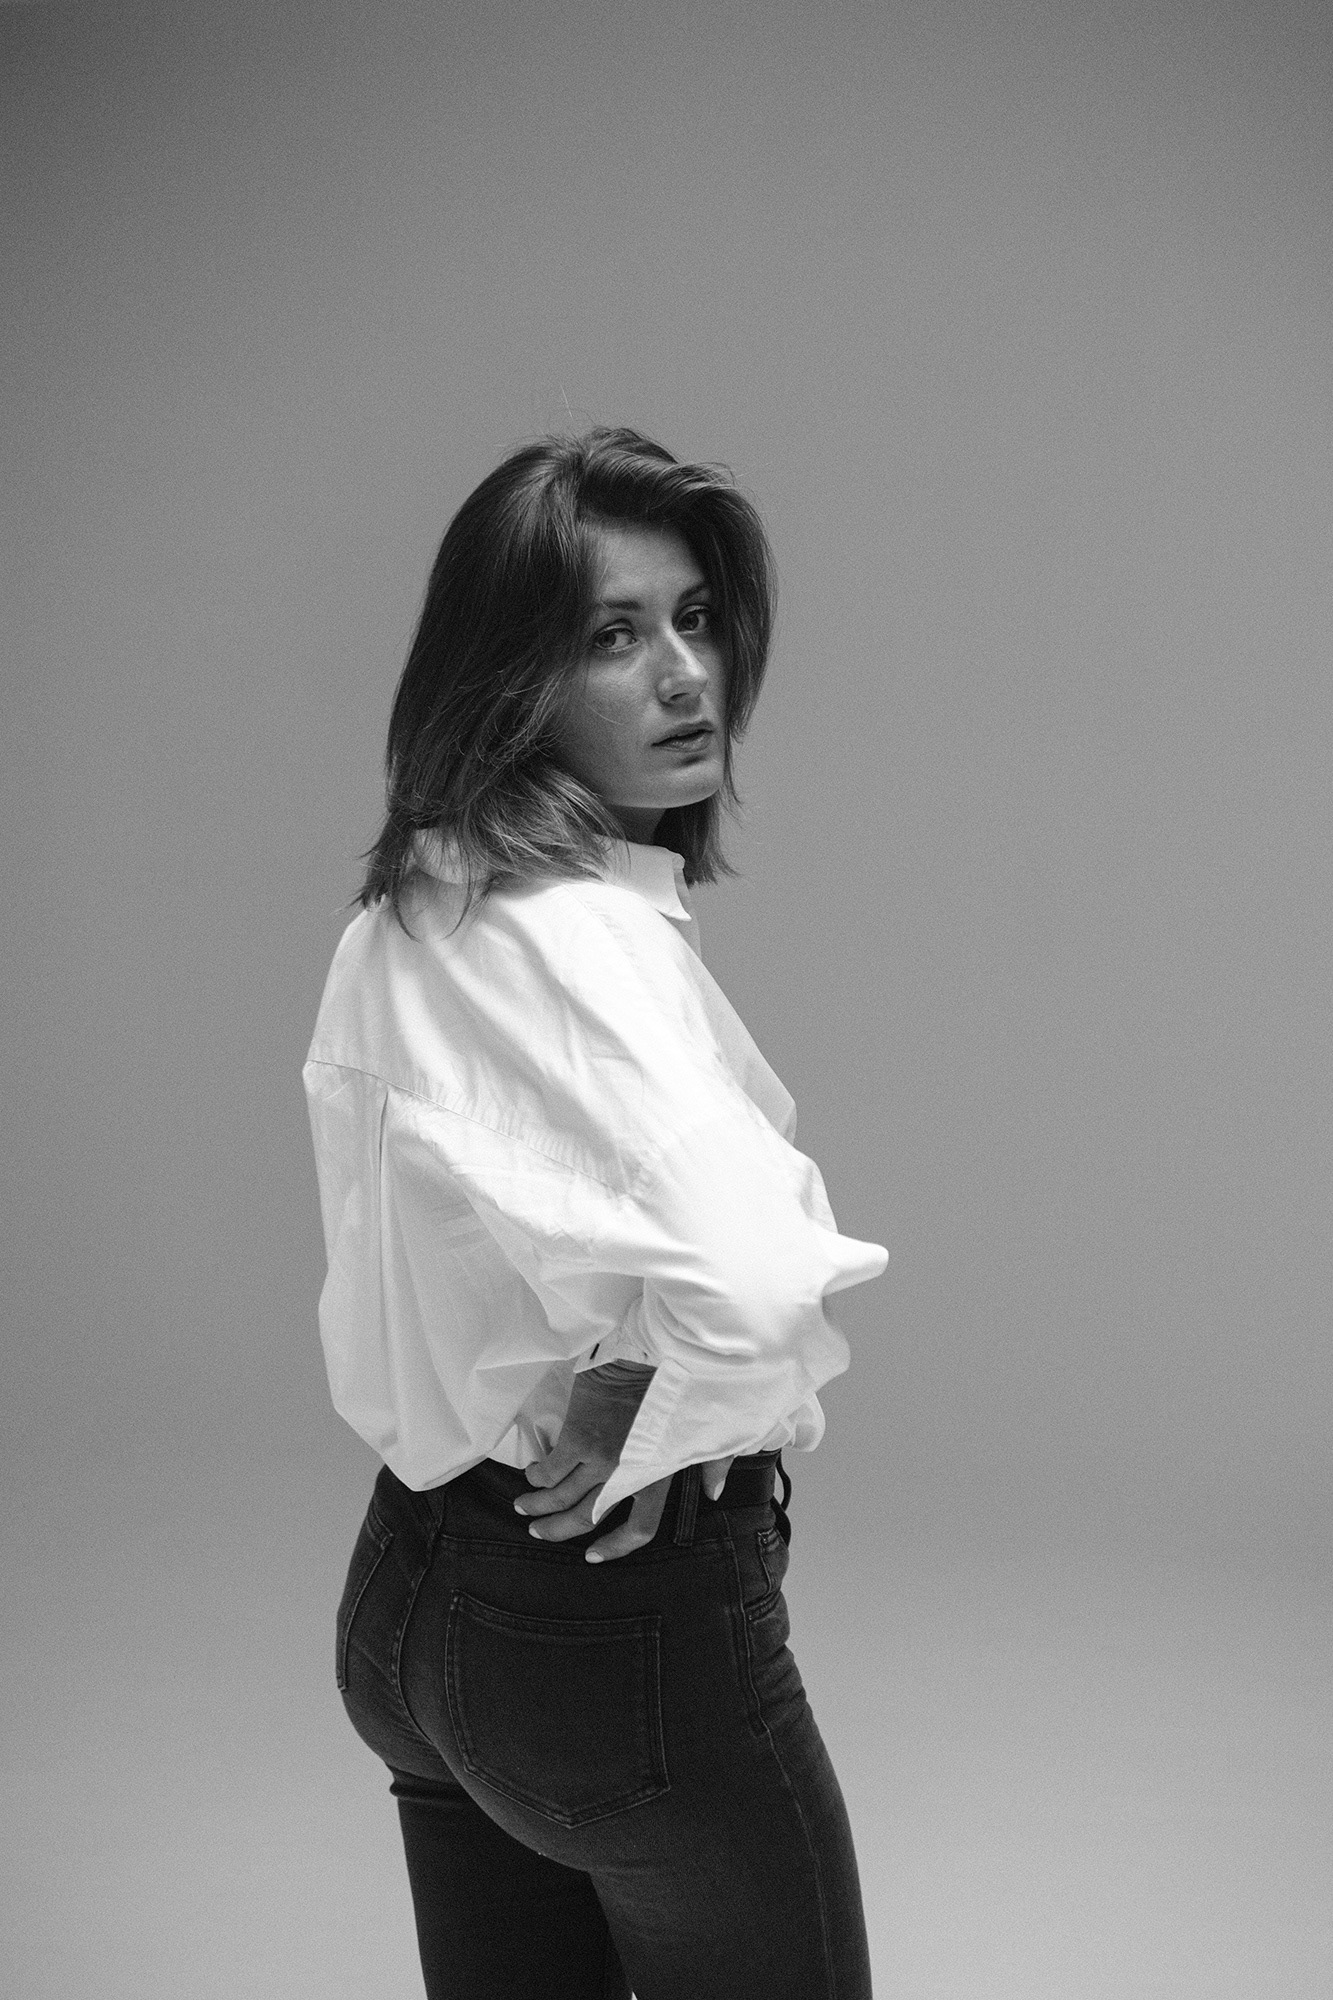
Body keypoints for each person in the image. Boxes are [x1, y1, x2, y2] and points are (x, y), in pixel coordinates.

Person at [303, 426, 888, 2000]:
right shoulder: (586, 943)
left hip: (410, 1599)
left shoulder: (410, 906)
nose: (686, 674)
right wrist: (668, 1411)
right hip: (609, 1646)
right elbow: (752, 1286)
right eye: (612, 636)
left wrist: (633, 1374)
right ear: (507, 680)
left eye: (694, 618)